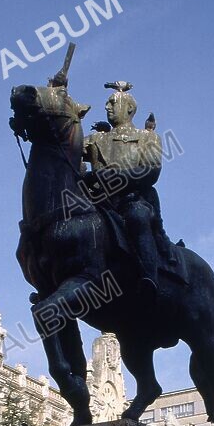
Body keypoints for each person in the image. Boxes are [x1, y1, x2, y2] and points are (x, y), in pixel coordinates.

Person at [83, 83, 172, 295]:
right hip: (98, 202)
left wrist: (111, 177)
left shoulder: (147, 137)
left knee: (137, 217)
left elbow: (150, 171)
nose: (107, 106)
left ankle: (148, 277)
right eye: (107, 103)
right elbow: (66, 146)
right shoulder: (96, 139)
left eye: (113, 103)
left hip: (132, 199)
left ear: (130, 109)